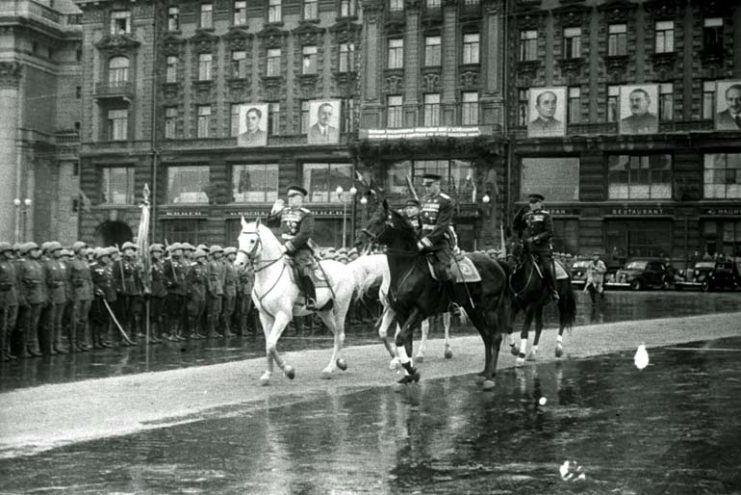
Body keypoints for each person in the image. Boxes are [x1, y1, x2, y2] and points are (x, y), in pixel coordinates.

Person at [267, 185, 319, 309]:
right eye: (289, 197)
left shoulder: (306, 214)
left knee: (302, 268)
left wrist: (289, 247)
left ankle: (310, 297)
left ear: (301, 199)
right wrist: (273, 212)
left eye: (294, 197)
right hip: (283, 246)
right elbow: (271, 224)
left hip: (301, 248)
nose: (290, 200)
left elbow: (304, 234)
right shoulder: (284, 211)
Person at [513, 193, 560, 302]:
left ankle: (553, 290)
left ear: (540, 203)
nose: (532, 205)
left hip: (542, 248)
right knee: (515, 264)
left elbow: (549, 232)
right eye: (531, 203)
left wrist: (535, 239)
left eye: (535, 203)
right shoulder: (527, 215)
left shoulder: (546, 215)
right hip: (528, 248)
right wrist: (519, 214)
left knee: (547, 268)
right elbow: (516, 227)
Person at [417, 174, 456, 284]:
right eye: (425, 186)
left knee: (446, 272)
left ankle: (452, 299)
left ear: (437, 184)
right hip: (422, 243)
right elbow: (421, 224)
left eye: (429, 185)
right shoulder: (424, 200)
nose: (426, 188)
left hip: (439, 243)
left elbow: (441, 226)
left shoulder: (446, 201)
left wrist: (425, 242)